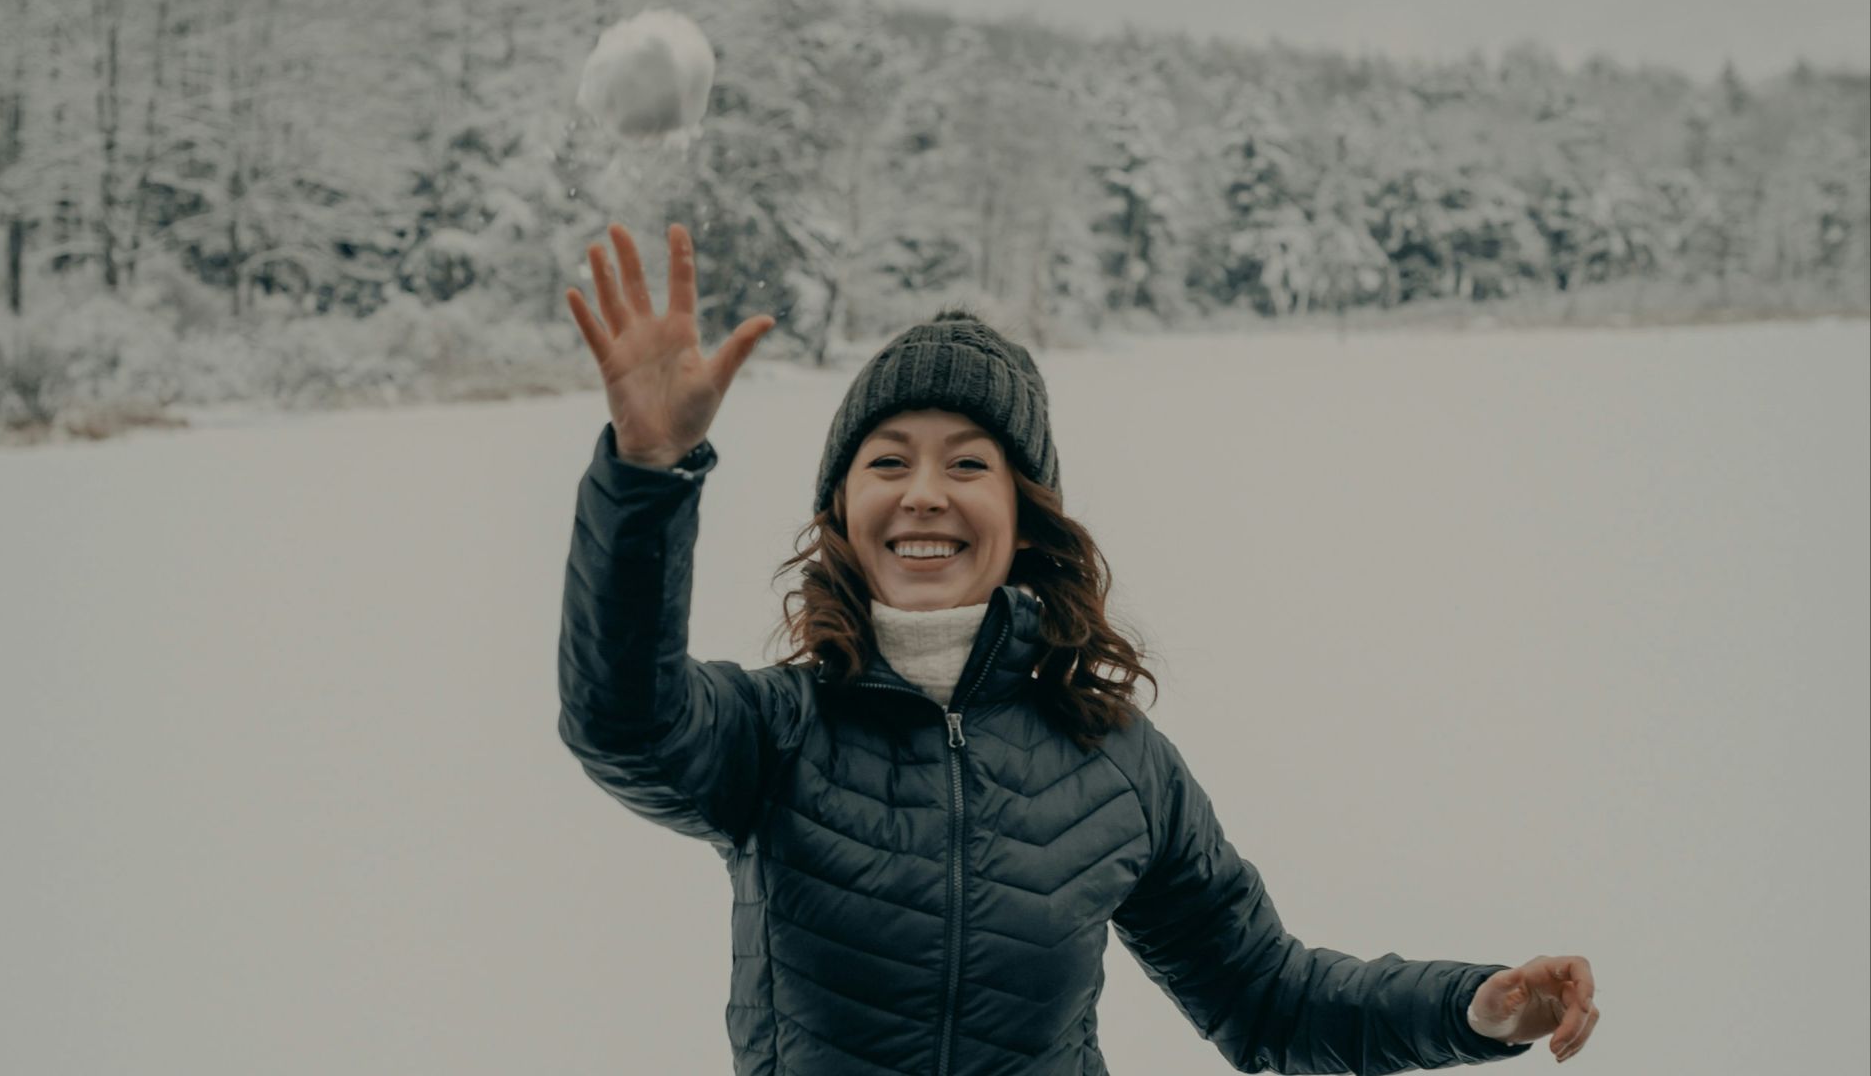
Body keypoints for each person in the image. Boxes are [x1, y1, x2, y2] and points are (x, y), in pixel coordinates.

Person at [556, 221, 1601, 1075]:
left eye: (970, 464)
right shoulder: (774, 732)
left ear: (1025, 517)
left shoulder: (1116, 763)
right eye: (888, 461)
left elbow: (1266, 997)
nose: (924, 494)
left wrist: (1470, 1008)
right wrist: (648, 475)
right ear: (842, 508)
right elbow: (622, 722)